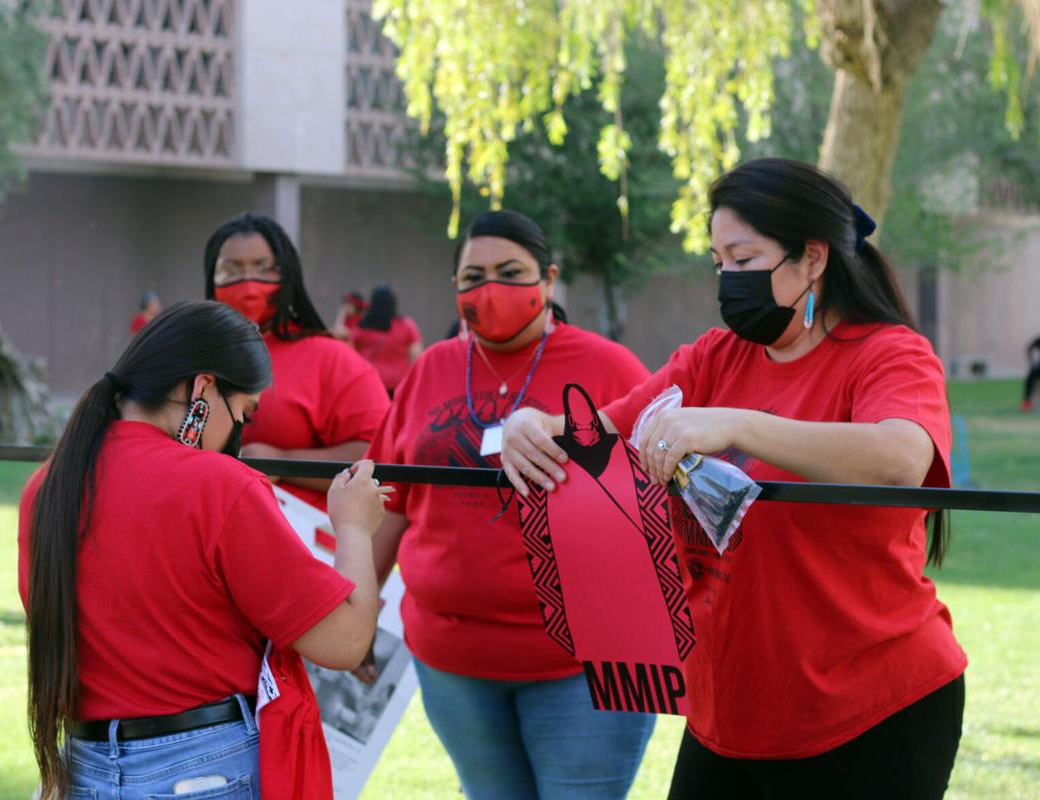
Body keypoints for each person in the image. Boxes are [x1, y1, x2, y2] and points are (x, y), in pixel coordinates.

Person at [501, 158, 966, 799]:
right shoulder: (714, 357)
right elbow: (593, 435)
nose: (727, 280)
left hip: (869, 709)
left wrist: (737, 425)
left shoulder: (888, 354)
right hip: (730, 710)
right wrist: (529, 425)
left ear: (811, 258)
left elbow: (902, 459)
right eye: (719, 263)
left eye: (744, 260)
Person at [18, 300, 388, 799]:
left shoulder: (47, 487)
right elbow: (344, 642)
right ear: (203, 388)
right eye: (245, 414)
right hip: (203, 771)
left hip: (85, 768)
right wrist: (355, 528)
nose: (240, 435)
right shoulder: (219, 485)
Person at [367, 210, 656, 799]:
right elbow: (390, 503)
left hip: (588, 669)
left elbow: (656, 496)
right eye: (473, 276)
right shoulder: (432, 368)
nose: (490, 290)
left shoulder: (607, 367)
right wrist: (356, 610)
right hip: (452, 665)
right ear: (454, 289)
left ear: (548, 281)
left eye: (510, 272)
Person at [204, 213, 390, 509]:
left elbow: (381, 459)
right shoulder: (189, 354)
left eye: (265, 269)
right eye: (232, 269)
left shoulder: (332, 359)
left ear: (287, 275)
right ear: (211, 278)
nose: (249, 283)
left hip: (297, 542)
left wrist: (282, 461)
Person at [347, 285, 423, 394]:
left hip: (369, 383)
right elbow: (417, 358)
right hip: (399, 384)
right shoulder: (406, 325)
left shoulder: (362, 326)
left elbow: (350, 356)